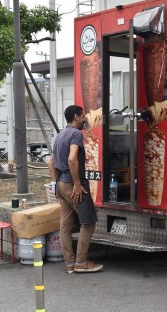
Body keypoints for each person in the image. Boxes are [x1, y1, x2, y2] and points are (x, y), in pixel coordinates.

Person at [47, 105, 103, 274]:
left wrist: (55, 184)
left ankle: (70, 264)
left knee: (65, 225)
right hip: (73, 185)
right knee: (88, 221)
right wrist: (77, 184)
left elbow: (50, 163)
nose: (85, 118)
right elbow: (72, 159)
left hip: (61, 184)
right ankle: (81, 262)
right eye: (83, 116)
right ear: (76, 117)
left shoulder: (60, 136)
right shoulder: (76, 134)